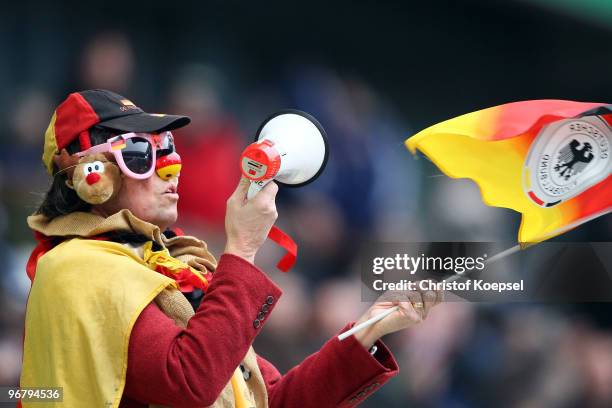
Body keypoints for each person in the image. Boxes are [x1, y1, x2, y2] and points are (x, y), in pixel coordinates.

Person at [20, 89, 443, 407]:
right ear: (90, 178)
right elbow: (190, 383)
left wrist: (370, 327)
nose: (170, 166)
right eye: (139, 152)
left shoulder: (164, 267)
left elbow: (271, 399)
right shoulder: (74, 265)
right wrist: (241, 248)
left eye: (168, 148)